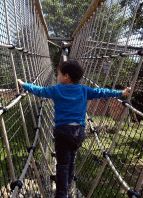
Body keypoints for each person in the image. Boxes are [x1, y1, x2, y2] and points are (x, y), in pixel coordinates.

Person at [17, 60, 131, 198]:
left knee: (62, 164)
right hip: (79, 132)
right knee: (72, 157)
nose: (56, 77)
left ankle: (61, 194)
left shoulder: (57, 89)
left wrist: (24, 84)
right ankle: (69, 182)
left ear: (67, 77)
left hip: (62, 132)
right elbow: (102, 92)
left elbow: (40, 91)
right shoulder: (84, 90)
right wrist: (120, 93)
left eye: (58, 74)